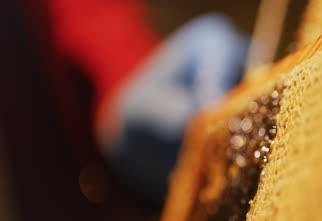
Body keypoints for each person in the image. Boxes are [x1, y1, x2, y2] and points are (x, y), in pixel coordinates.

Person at [48, 0, 248, 204]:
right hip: (118, 107)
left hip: (157, 71)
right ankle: (228, 127)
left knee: (212, 30)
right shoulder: (43, 16)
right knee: (176, 109)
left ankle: (230, 115)